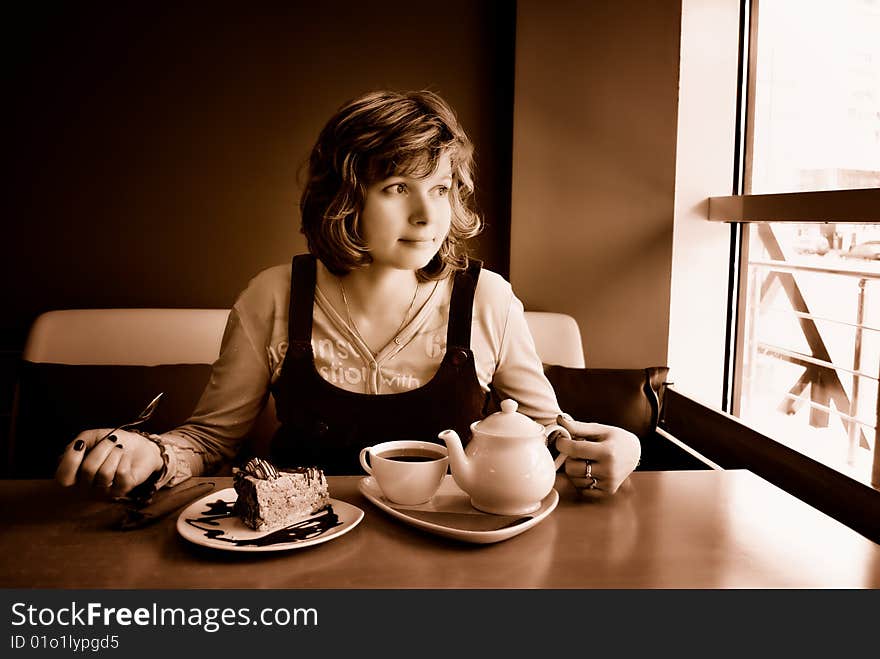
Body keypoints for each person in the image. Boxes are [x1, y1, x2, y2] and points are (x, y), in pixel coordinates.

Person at [55, 89, 640, 499]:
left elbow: (545, 432)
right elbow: (209, 440)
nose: (424, 215)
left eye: (439, 189)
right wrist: (148, 454)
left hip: (447, 552)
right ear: (344, 197)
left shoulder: (487, 299)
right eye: (397, 187)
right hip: (290, 548)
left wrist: (609, 454)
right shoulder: (273, 295)